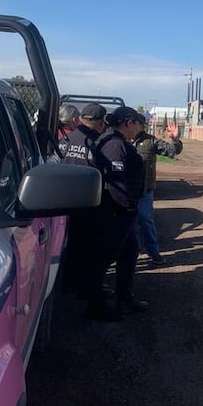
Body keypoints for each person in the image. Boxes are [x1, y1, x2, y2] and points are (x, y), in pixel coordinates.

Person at [59, 102, 116, 317]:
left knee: (72, 247)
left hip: (65, 203)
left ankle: (70, 285)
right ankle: (90, 293)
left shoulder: (64, 140)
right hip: (91, 206)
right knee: (93, 253)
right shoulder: (98, 143)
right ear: (102, 122)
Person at [94, 106, 150, 317]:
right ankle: (98, 306)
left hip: (119, 212)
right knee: (105, 258)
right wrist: (129, 207)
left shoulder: (117, 141)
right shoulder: (115, 145)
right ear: (129, 122)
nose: (139, 128)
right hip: (115, 213)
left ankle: (124, 298)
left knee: (129, 252)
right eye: (138, 124)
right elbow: (116, 184)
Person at [133, 115, 183, 265]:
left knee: (145, 219)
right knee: (126, 223)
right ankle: (129, 253)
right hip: (125, 191)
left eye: (140, 124)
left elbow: (172, 151)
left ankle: (153, 252)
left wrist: (175, 139)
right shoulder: (119, 141)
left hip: (144, 191)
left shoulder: (150, 141)